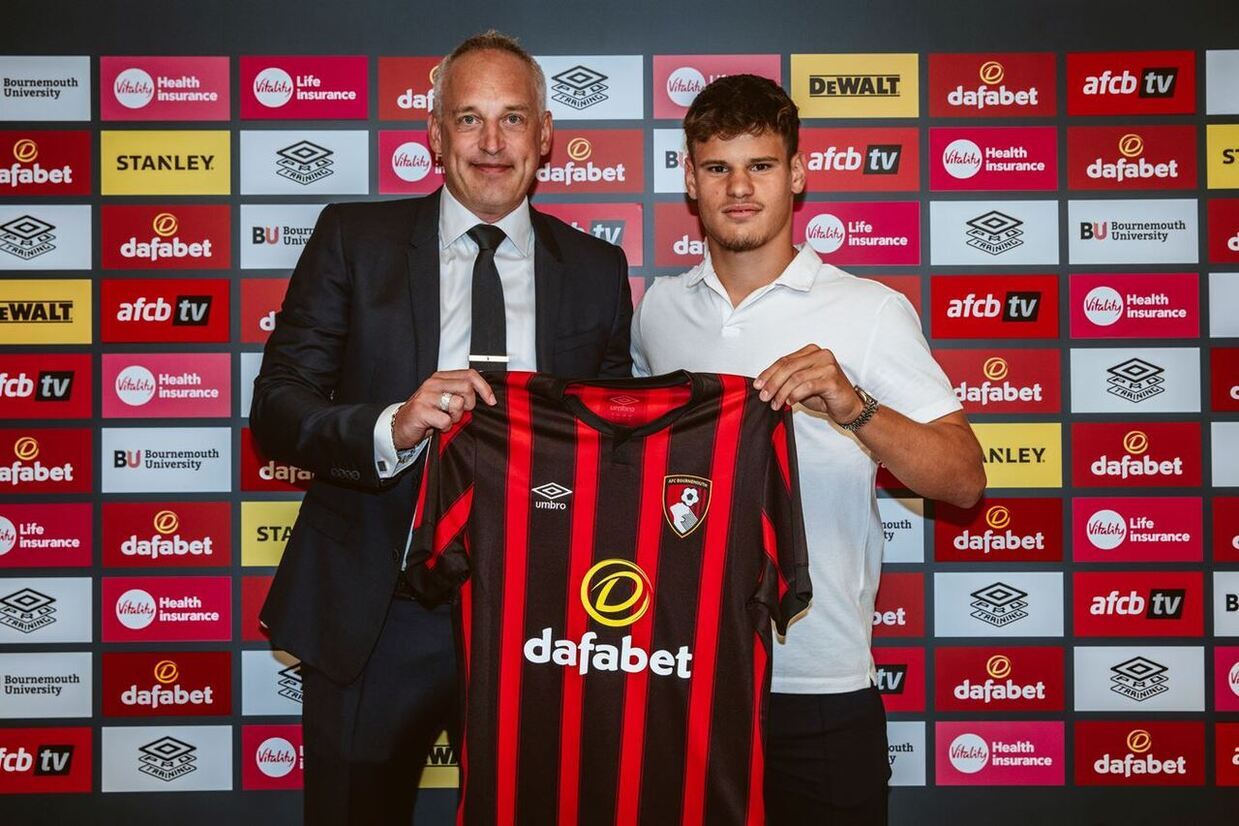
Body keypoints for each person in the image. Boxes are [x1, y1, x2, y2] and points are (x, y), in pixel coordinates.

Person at [250, 31, 632, 825]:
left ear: (545, 136)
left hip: (541, 619)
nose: (491, 143)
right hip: (378, 610)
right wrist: (392, 426)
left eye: (512, 118)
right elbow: (278, 408)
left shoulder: (596, 272)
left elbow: (615, 446)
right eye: (468, 118)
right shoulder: (353, 241)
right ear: (433, 134)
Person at [630, 74, 986, 825]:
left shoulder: (868, 310)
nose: (738, 188)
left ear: (795, 173)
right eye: (718, 167)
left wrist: (855, 408)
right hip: (685, 680)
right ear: (689, 180)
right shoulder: (658, 310)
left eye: (760, 165)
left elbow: (962, 479)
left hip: (819, 687)